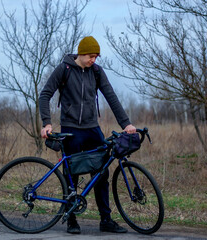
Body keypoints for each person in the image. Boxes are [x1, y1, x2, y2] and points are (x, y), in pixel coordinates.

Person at [39, 36, 136, 234]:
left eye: (96, 56)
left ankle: (106, 220)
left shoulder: (97, 72)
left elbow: (111, 97)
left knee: (102, 173)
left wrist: (126, 124)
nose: (94, 60)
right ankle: (71, 219)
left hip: (92, 128)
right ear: (81, 53)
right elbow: (45, 95)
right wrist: (46, 123)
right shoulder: (64, 69)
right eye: (91, 56)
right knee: (71, 174)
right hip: (70, 129)